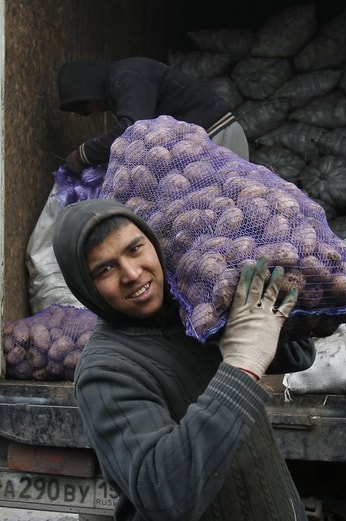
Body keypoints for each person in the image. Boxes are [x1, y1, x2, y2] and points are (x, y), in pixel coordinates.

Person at [52, 198, 314, 520]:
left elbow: (299, 356)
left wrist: (268, 295)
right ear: (85, 287)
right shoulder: (104, 371)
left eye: (135, 249)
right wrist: (242, 365)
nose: (131, 273)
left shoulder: (194, 313)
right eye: (105, 269)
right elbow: (164, 494)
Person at [58, 57, 249, 174]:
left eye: (88, 107)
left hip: (216, 135)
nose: (97, 112)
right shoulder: (123, 81)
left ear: (88, 88)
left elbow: (134, 132)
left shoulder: (126, 76)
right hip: (200, 143)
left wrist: (83, 154)